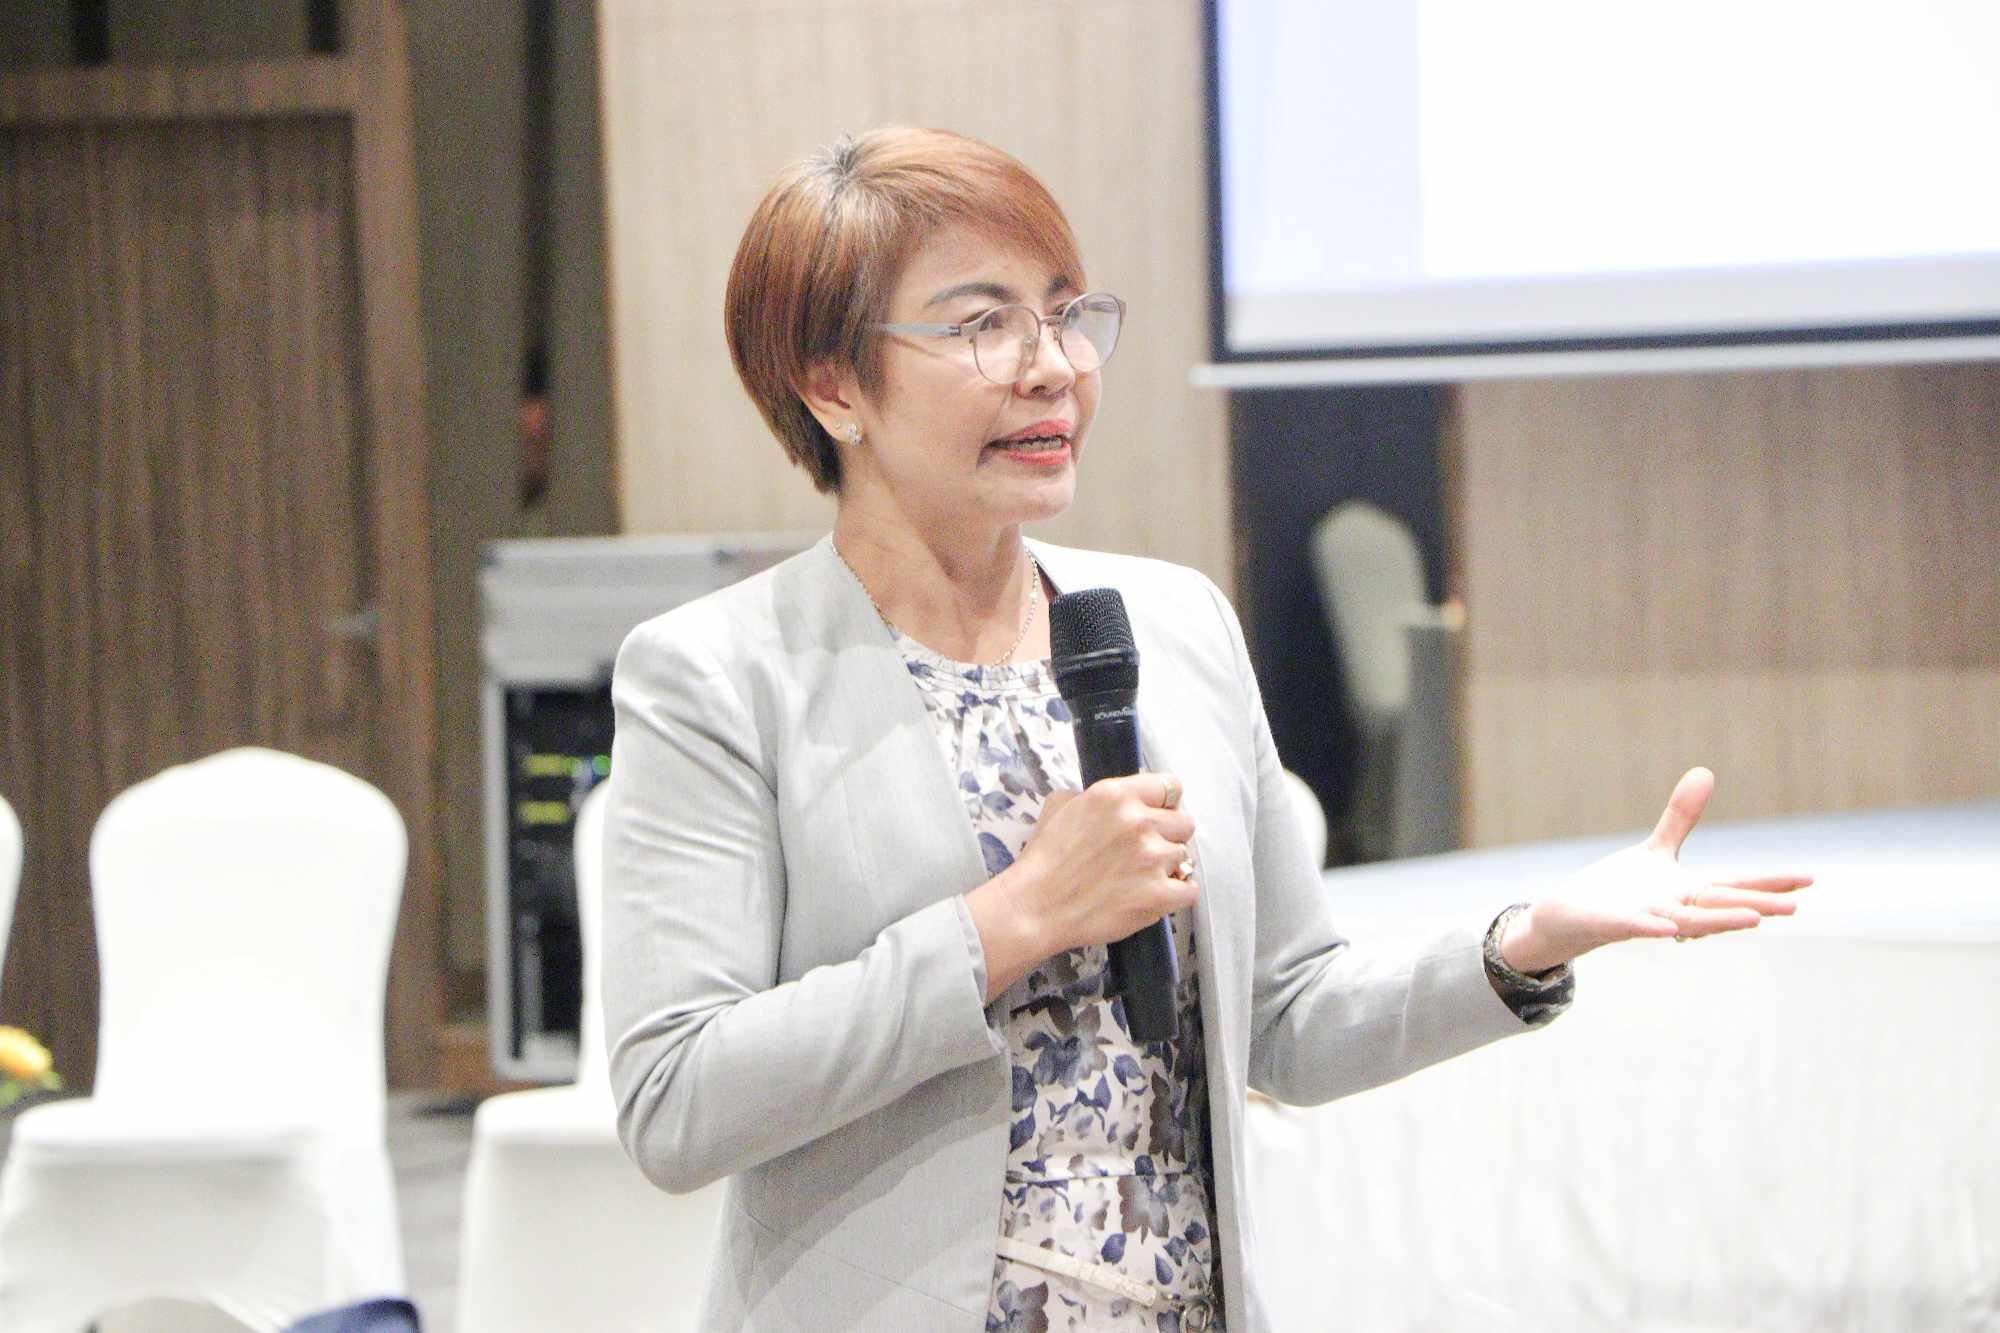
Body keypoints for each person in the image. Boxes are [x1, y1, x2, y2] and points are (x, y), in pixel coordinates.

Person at [599, 127, 1808, 1333]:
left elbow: (1288, 1017)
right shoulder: (718, 674)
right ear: (832, 387)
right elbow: (675, 1098)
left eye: (1063, 313)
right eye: (981, 325)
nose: (1052, 366)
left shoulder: (1171, 623)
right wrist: (1012, 920)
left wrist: (1523, 943)